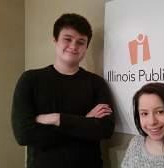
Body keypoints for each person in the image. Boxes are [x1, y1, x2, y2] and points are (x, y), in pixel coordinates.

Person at [11, 13, 115, 168]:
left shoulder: (96, 83)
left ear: (86, 47)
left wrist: (56, 118)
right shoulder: (30, 79)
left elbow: (105, 129)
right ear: (55, 40)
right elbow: (24, 135)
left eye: (81, 42)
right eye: (67, 39)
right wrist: (84, 121)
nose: (74, 46)